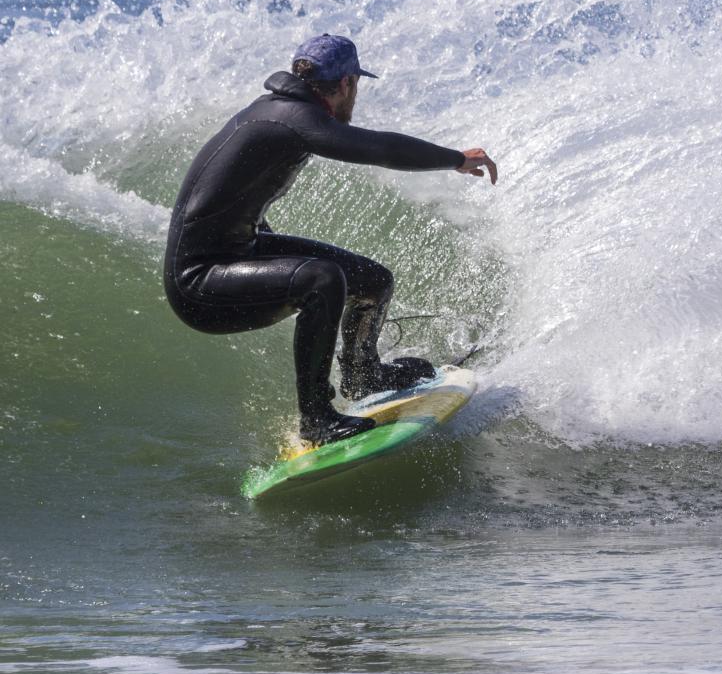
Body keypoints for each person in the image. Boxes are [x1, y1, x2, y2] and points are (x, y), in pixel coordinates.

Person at [164, 33, 497, 444]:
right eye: (355, 88)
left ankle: (364, 375)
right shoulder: (295, 118)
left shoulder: (278, 112)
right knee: (321, 280)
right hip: (200, 285)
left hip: (233, 254)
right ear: (346, 85)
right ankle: (317, 419)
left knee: (372, 281)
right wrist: (457, 159)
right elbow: (378, 148)